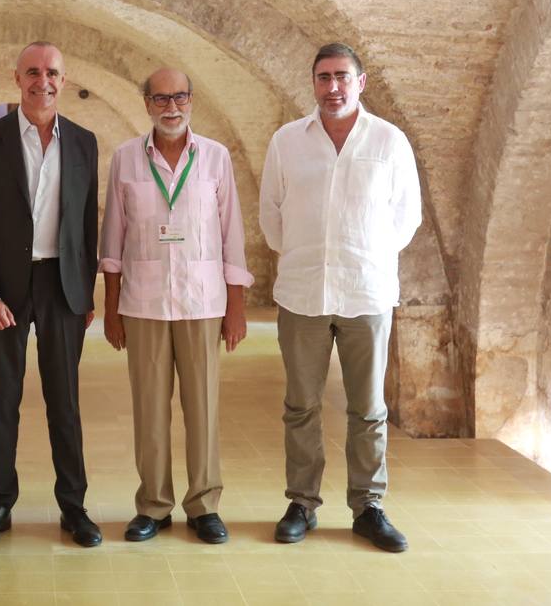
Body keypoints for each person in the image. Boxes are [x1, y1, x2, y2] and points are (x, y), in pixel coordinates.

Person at [259, 42, 421, 553]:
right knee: (301, 405)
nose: (333, 88)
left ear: (361, 82)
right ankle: (302, 503)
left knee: (368, 408)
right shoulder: (287, 141)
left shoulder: (390, 141)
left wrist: (364, 253)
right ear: (313, 83)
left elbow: (406, 215)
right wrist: (311, 253)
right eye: (324, 78)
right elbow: (271, 214)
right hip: (303, 291)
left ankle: (368, 506)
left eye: (342, 78)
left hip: (366, 291)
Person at [100, 68, 253, 545]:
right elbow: (112, 237)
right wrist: (110, 308)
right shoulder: (125, 158)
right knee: (149, 409)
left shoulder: (215, 158)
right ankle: (154, 505)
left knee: (202, 406)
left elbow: (232, 232)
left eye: (180, 97)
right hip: (142, 301)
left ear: (192, 101)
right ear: (146, 103)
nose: (172, 107)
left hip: (203, 299)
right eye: (161, 98)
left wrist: (237, 305)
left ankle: (204, 504)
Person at [0, 41, 102, 547]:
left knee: (65, 401)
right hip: (6, 289)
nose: (43, 81)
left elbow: (88, 225)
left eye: (53, 73)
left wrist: (85, 292)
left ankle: (74, 507)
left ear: (64, 80)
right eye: (33, 72)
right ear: (17, 79)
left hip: (62, 286)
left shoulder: (84, 142)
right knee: (4, 399)